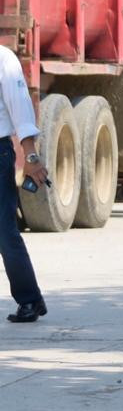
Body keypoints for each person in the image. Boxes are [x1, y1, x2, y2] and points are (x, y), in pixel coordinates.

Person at [0, 43, 48, 324]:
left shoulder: (4, 58)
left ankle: (30, 298)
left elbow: (20, 112)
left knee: (4, 231)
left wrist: (30, 156)